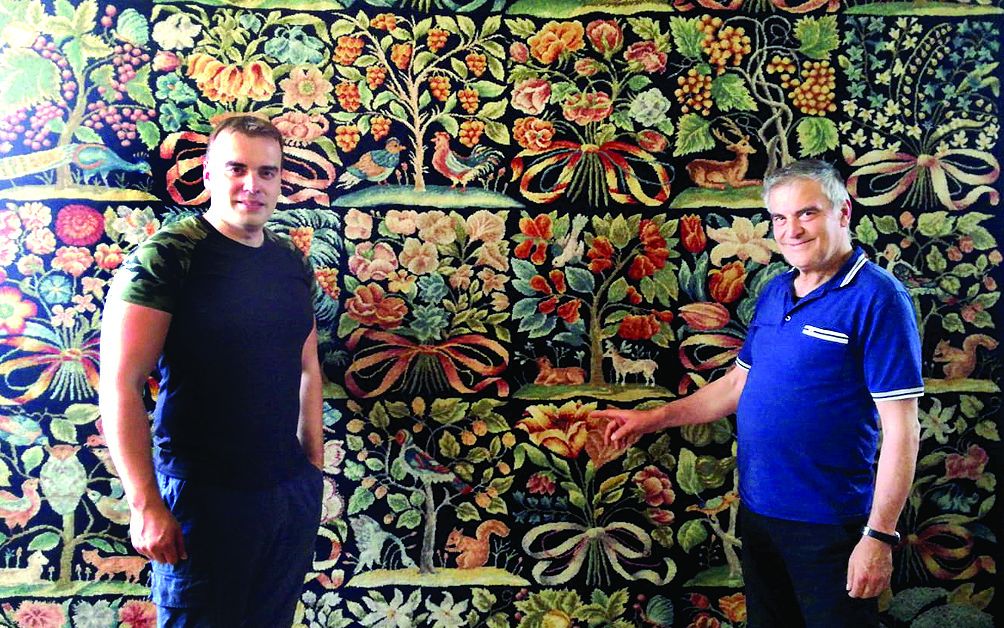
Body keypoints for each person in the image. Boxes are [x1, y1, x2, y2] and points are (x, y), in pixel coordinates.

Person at [593, 160, 922, 627]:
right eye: (780, 218)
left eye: (807, 213)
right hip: (760, 513)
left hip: (829, 524)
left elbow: (903, 430)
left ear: (843, 212)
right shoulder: (774, 291)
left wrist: (879, 536)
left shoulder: (879, 298)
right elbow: (736, 385)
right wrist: (650, 419)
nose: (792, 230)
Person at [99, 115, 324, 626]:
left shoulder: (290, 261)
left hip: (287, 495)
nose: (252, 184)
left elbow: (307, 367)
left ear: (280, 180)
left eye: (267, 172)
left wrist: (312, 470)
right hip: (202, 499)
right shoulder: (167, 256)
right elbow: (120, 384)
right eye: (236, 168)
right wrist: (144, 504)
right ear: (207, 174)